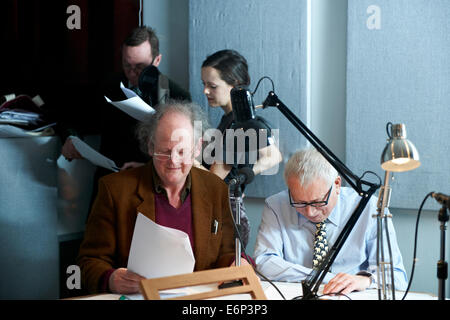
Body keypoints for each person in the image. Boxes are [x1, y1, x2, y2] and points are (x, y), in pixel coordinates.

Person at [77, 100, 245, 294]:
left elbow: (228, 253)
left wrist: (238, 264)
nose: (173, 161)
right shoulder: (114, 190)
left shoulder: (215, 188)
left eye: (182, 151)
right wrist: (110, 278)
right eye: (165, 151)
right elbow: (87, 262)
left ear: (198, 148)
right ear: (150, 146)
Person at [253, 148, 408, 295]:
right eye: (299, 202)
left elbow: (396, 277)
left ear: (337, 185)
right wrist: (325, 278)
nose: (310, 212)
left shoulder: (369, 208)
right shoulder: (276, 206)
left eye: (317, 202)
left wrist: (364, 280)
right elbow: (264, 263)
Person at [61, 26, 191, 172]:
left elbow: (185, 155)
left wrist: (148, 169)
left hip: (152, 185)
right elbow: (73, 116)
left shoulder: (178, 96)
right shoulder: (107, 86)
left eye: (140, 67)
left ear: (157, 60)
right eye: (126, 65)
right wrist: (70, 137)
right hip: (109, 181)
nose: (132, 73)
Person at [201, 49, 282, 249]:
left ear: (235, 85)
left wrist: (186, 162)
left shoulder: (239, 125)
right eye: (204, 84)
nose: (205, 91)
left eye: (212, 86)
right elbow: (274, 156)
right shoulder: (230, 120)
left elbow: (215, 178)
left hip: (225, 216)